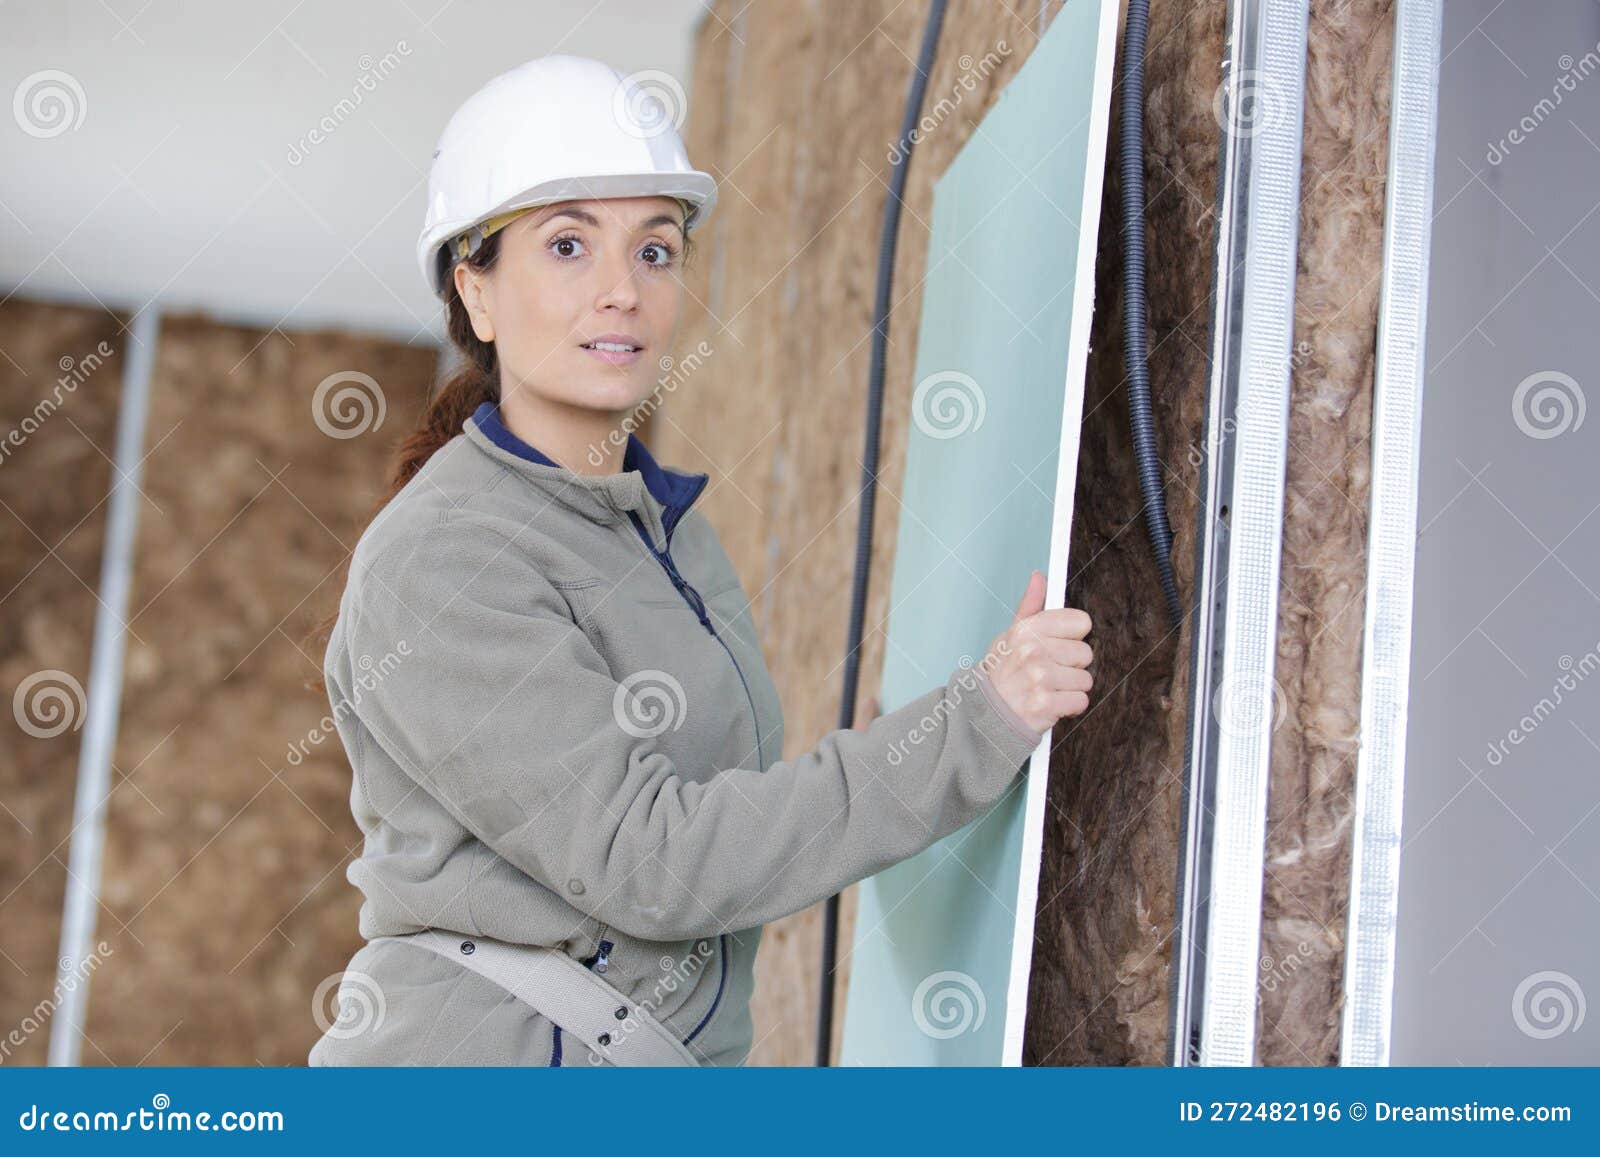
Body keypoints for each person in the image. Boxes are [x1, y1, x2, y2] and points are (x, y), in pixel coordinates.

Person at [307, 54, 1094, 1068]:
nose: (620, 291)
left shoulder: (664, 532)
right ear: (478, 290)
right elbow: (655, 860)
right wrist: (973, 722)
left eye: (656, 249)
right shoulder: (441, 558)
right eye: (566, 245)